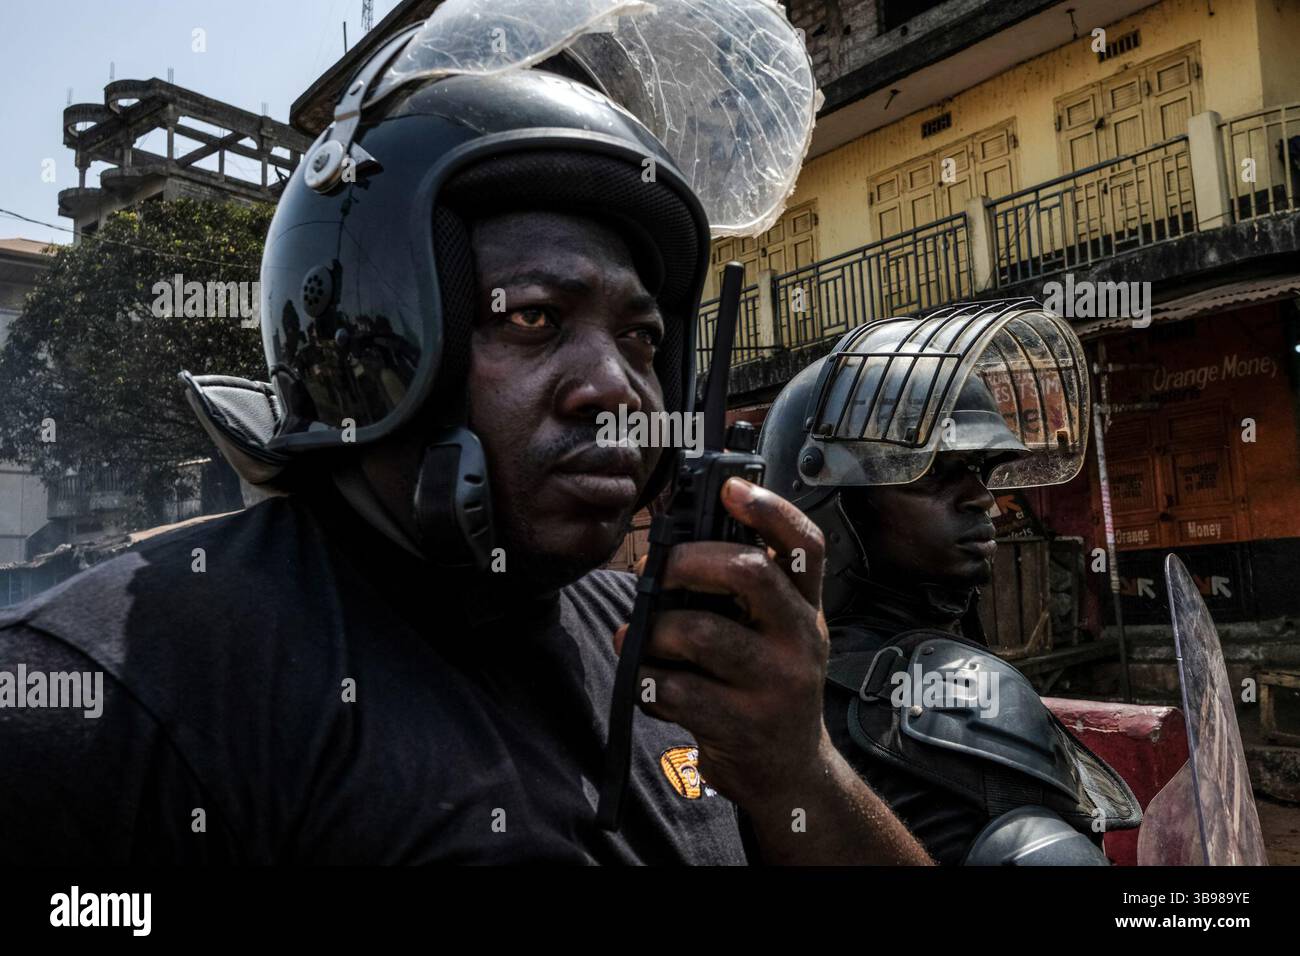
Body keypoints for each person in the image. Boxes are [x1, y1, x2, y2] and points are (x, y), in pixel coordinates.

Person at [0, 28, 927, 866]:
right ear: (371, 339)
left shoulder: (673, 652)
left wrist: (801, 773)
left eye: (642, 339)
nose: (616, 386)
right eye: (533, 316)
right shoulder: (110, 695)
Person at [758, 301, 1142, 865]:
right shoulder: (970, 692)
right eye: (934, 474)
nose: (982, 497)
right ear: (835, 512)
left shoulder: (759, 679)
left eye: (981, 470)